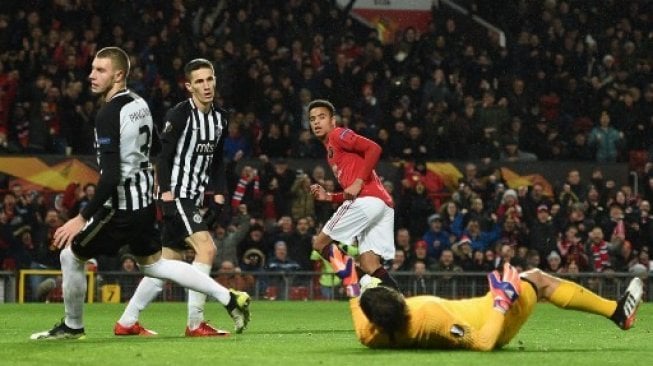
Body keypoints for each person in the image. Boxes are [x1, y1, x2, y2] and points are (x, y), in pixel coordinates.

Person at [30, 48, 250, 340]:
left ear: (118, 75)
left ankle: (72, 326)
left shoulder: (108, 114)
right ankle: (227, 298)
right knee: (158, 264)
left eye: (100, 70)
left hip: (122, 207)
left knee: (71, 256)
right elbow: (158, 148)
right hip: (145, 203)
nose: (91, 76)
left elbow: (111, 176)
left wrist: (81, 217)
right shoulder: (139, 103)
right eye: (93, 69)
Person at [114, 58, 244, 337]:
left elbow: (218, 159)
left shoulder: (221, 117)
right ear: (189, 86)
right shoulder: (179, 114)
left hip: (194, 196)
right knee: (206, 250)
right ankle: (195, 323)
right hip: (178, 194)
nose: (206, 85)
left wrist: (220, 191)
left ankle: (126, 321)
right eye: (199, 81)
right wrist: (166, 194)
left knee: (165, 264)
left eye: (210, 79)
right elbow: (163, 155)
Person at [350, 263, 643, 350]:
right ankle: (617, 312)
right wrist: (502, 302)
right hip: (492, 320)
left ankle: (616, 311)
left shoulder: (370, 334)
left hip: (482, 308)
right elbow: (483, 342)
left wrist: (347, 276)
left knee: (533, 280)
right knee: (538, 280)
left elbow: (356, 304)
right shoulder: (429, 317)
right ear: (399, 300)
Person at [307, 99, 399, 296]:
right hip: (382, 205)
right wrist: (329, 197)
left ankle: (357, 281)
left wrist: (358, 181)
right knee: (369, 263)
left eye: (322, 117)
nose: (316, 122)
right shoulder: (331, 152)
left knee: (320, 244)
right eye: (312, 119)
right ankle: (406, 308)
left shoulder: (338, 134)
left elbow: (374, 148)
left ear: (333, 121)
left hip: (367, 201)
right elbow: (351, 192)